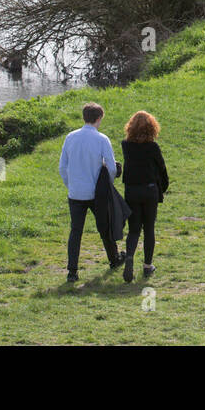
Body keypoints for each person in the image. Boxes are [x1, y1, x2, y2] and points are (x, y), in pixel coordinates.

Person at [59, 101, 125, 281]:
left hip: (75, 193)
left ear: (84, 117)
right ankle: (114, 259)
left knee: (76, 232)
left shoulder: (70, 137)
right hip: (97, 193)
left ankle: (72, 272)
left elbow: (62, 167)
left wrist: (70, 184)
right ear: (98, 118)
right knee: (105, 227)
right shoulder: (102, 139)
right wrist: (107, 185)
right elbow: (111, 167)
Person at [120, 110, 170, 283]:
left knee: (134, 229)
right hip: (149, 190)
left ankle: (129, 257)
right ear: (152, 127)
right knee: (149, 228)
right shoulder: (152, 147)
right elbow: (161, 168)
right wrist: (163, 187)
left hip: (131, 190)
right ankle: (147, 266)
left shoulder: (125, 145)